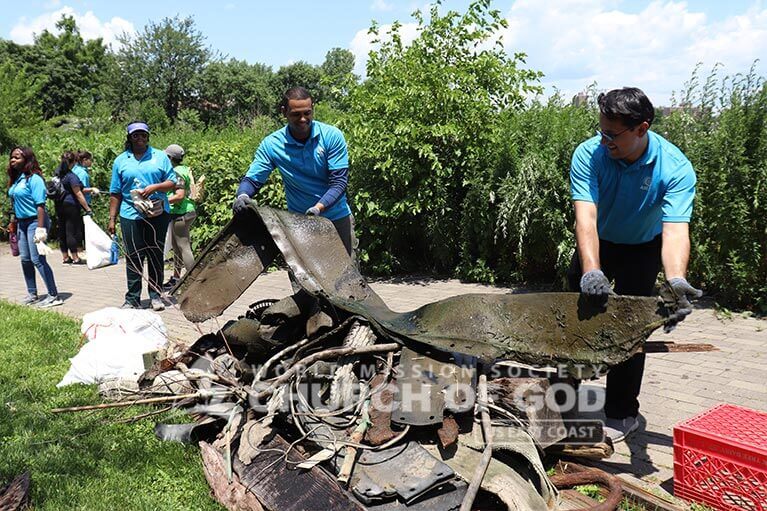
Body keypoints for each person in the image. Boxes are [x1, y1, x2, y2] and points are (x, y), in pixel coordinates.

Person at [567, 87, 702, 442]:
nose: (604, 140)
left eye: (612, 134)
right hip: (599, 241)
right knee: (567, 317)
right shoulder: (589, 154)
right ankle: (562, 401)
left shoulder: (675, 168)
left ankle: (622, 413)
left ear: (641, 129)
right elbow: (586, 219)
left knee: (631, 330)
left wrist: (675, 281)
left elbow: (674, 232)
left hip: (643, 247)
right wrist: (592, 271)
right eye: (601, 131)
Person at [232, 86, 355, 257]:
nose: (303, 119)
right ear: (284, 112)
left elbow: (339, 183)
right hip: (299, 224)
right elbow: (252, 180)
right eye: (296, 114)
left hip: (336, 219)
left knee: (345, 280)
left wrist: (318, 209)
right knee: (304, 280)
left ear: (313, 109)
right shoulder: (272, 144)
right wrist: (243, 195)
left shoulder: (331, 136)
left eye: (307, 113)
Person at [108, 121, 176, 311]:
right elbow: (115, 192)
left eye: (143, 135)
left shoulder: (160, 157)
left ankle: (155, 295)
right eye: (136, 135)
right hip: (130, 214)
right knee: (134, 256)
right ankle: (132, 299)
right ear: (129, 138)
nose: (140, 138)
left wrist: (156, 187)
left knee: (155, 254)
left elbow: (172, 182)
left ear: (148, 137)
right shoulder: (121, 160)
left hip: (157, 213)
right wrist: (112, 219)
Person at [6, 146, 62, 307]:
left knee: (38, 259)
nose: (13, 160)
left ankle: (53, 295)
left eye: (17, 157)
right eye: (12, 157)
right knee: (25, 259)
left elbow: (40, 205)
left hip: (35, 222)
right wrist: (13, 221)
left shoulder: (35, 179)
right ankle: (32, 293)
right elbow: (15, 202)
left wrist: (40, 228)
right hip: (21, 223)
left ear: (27, 159)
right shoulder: (18, 179)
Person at [163, 144, 196, 289]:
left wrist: (161, 201)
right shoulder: (184, 169)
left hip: (181, 213)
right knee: (177, 247)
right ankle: (176, 278)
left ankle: (193, 281)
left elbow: (180, 196)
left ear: (170, 158)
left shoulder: (176, 172)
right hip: (186, 211)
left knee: (184, 247)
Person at [56, 151, 93, 265]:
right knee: (70, 231)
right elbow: (78, 194)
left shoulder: (58, 174)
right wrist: (87, 208)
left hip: (59, 205)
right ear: (74, 162)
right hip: (71, 205)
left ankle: (65, 257)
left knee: (62, 231)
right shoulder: (71, 176)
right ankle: (76, 258)